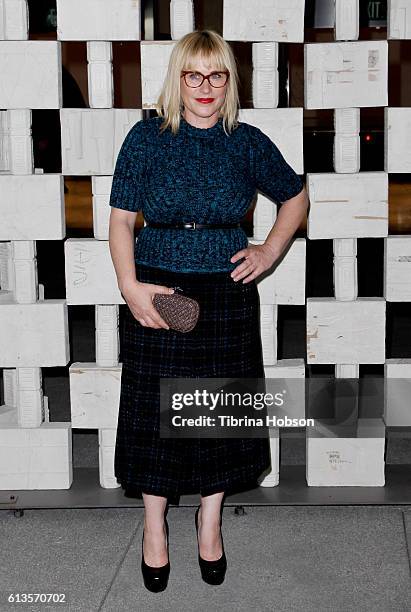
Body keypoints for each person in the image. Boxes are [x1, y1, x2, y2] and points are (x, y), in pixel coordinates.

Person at [108, 29, 308, 592]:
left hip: (225, 291)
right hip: (158, 290)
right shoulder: (146, 139)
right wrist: (130, 286)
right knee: (154, 414)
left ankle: (210, 523)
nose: (205, 87)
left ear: (229, 82)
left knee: (215, 414)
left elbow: (295, 196)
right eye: (193, 75)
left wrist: (268, 250)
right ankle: (154, 529)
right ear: (178, 79)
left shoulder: (246, 142)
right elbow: (122, 219)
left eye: (216, 75)